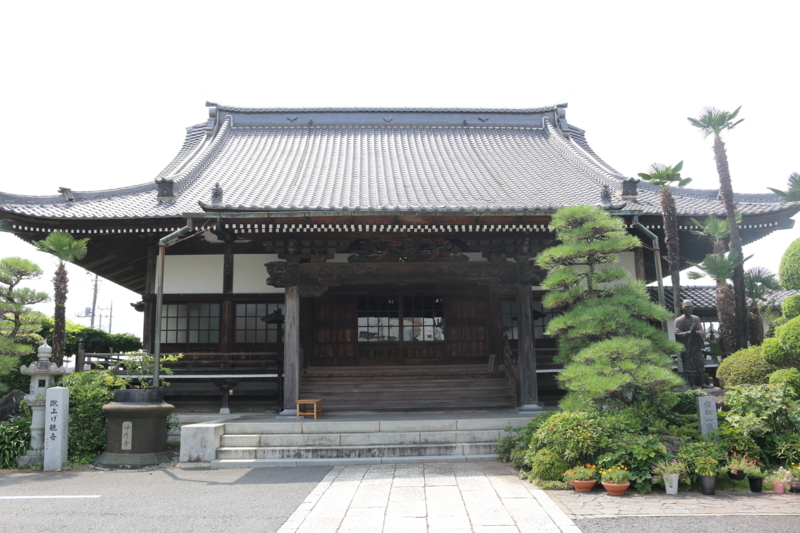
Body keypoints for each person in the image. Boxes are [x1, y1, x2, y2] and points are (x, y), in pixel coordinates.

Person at [674, 299, 709, 388]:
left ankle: (703, 383)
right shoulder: (678, 320)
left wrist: (696, 332)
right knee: (689, 367)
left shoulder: (696, 318)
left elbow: (702, 331)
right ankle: (692, 385)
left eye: (691, 307)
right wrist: (689, 333)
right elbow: (677, 333)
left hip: (696, 346)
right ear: (682, 308)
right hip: (687, 347)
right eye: (687, 307)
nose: (689, 309)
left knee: (700, 365)